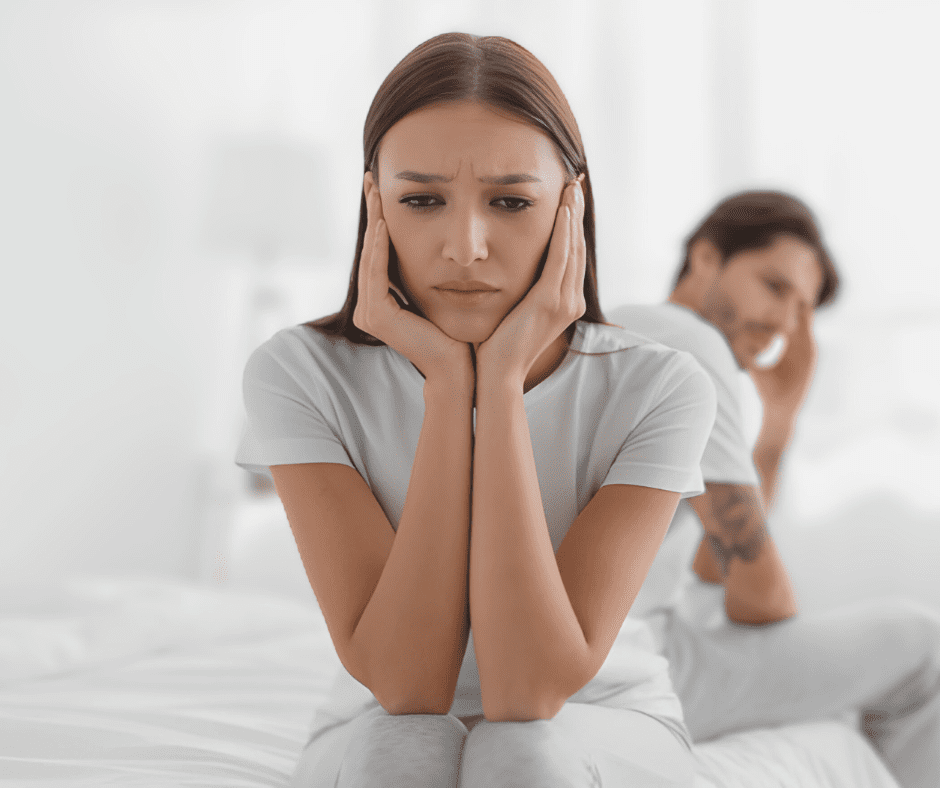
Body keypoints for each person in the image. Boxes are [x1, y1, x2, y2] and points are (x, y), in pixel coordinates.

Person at [235, 32, 717, 788]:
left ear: (571, 206)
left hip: (607, 716)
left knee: (518, 751)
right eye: (422, 200)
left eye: (511, 202)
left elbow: (527, 692)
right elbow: (408, 686)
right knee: (409, 745)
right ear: (376, 205)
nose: (465, 247)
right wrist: (448, 388)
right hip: (374, 720)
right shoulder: (298, 373)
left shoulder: (660, 387)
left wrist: (497, 388)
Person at [609, 191, 940, 788]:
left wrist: (779, 420)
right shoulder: (688, 344)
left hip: (611, 648)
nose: (786, 324)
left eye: (803, 308)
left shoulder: (623, 324)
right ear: (706, 258)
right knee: (925, 647)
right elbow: (759, 600)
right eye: (775, 286)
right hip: (635, 668)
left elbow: (713, 574)